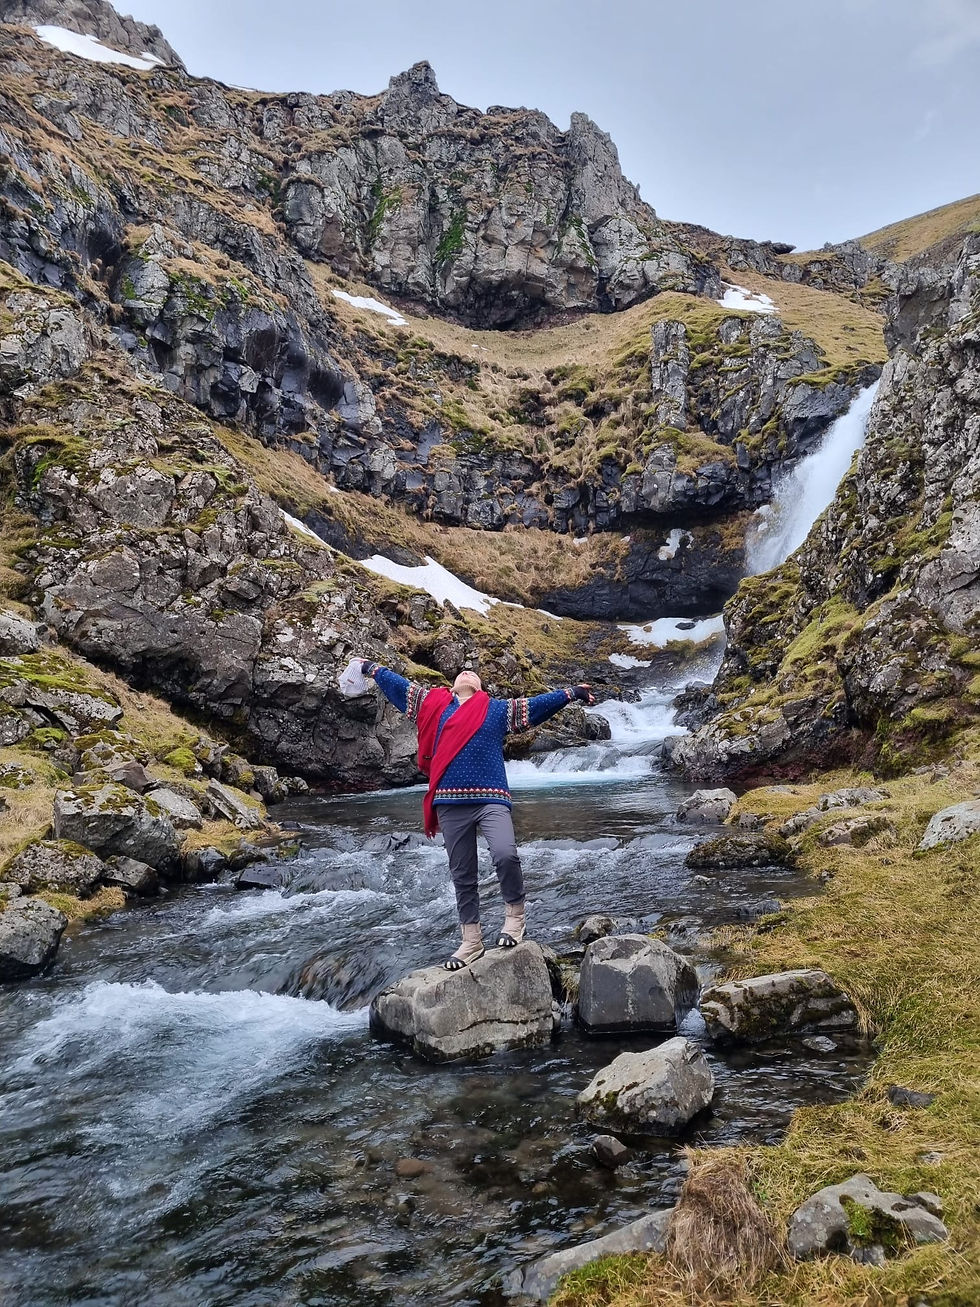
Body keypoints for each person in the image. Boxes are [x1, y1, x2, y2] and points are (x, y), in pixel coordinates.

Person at [358, 660, 595, 970]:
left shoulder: (496, 710)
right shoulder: (431, 705)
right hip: (448, 802)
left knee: (505, 853)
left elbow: (536, 706)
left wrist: (571, 692)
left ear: (481, 688)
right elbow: (398, 685)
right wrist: (370, 667)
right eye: (461, 672)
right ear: (453, 684)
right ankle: (471, 941)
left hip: (491, 798)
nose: (466, 672)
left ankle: (515, 918)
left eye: (472, 673)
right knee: (462, 874)